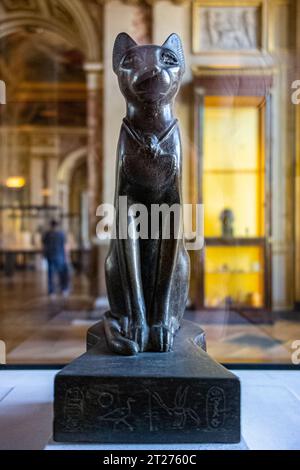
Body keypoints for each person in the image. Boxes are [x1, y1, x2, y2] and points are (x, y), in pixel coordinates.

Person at [42, 220, 70, 297]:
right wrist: (67, 257)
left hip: (50, 256)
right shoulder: (61, 234)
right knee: (61, 274)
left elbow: (44, 246)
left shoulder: (47, 234)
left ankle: (51, 291)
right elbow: (65, 246)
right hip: (60, 256)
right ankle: (64, 289)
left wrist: (44, 255)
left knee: (50, 274)